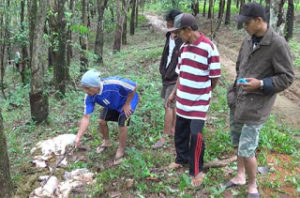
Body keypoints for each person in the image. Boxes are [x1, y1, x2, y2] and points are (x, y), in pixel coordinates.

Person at [225, 3, 294, 198]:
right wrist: (233, 92)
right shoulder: (248, 41)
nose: (244, 26)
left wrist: (261, 84)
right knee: (238, 143)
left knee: (247, 150)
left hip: (256, 108)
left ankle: (252, 185)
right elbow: (240, 66)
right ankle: (240, 176)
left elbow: (287, 77)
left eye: (247, 23)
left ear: (259, 21)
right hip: (238, 102)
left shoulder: (277, 44)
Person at [166, 13, 221, 187]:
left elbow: (215, 76)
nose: (176, 36)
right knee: (181, 132)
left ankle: (197, 169)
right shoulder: (183, 48)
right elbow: (181, 74)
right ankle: (181, 158)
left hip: (199, 101)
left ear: (188, 30)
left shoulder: (209, 47)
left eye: (179, 32)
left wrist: (206, 91)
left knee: (196, 135)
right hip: (183, 99)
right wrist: (174, 93)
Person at [74, 69, 139, 165]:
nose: (86, 91)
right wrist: (78, 136)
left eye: (88, 88)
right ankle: (107, 142)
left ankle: (121, 149)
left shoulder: (113, 83)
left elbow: (134, 87)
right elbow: (86, 117)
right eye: (84, 88)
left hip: (127, 101)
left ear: (96, 86)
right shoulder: (89, 96)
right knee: (101, 121)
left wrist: (127, 103)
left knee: (122, 123)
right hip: (112, 104)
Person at [152, 9, 183, 149]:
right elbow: (167, 55)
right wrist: (163, 70)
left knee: (168, 105)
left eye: (170, 23)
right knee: (173, 104)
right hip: (166, 75)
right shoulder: (169, 36)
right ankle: (173, 130)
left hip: (176, 76)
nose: (168, 26)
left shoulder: (182, 39)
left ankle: (164, 137)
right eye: (167, 23)